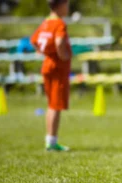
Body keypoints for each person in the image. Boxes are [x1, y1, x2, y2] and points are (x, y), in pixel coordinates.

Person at [30, 0, 72, 152]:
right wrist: (64, 55)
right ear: (60, 5)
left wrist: (43, 52)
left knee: (51, 104)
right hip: (57, 67)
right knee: (56, 105)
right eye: (67, 4)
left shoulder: (46, 22)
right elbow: (59, 41)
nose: (68, 8)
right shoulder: (59, 24)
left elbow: (34, 40)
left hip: (47, 66)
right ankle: (52, 142)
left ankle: (50, 139)